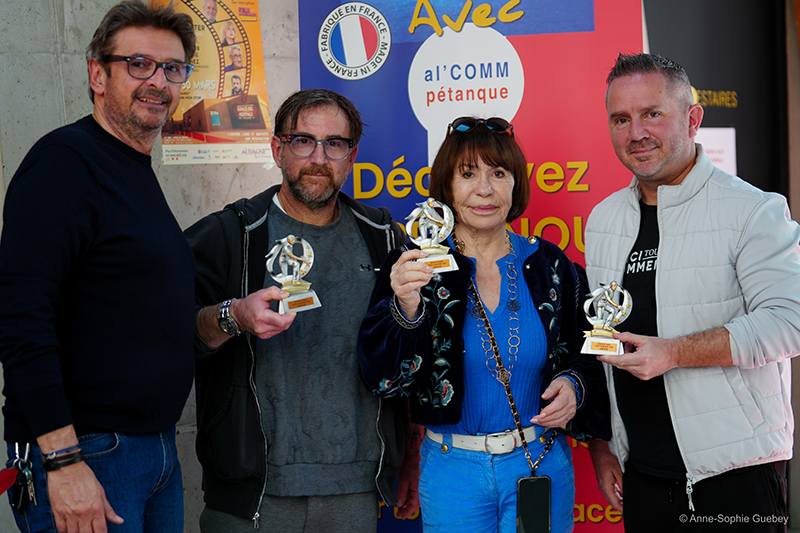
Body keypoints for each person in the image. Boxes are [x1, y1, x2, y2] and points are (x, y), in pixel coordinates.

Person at [358, 116, 610, 533]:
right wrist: (405, 307)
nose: (485, 189)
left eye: (499, 173)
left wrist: (573, 386)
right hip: (452, 472)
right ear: (447, 185)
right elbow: (381, 378)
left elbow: (589, 352)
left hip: (539, 462)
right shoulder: (414, 266)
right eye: (468, 174)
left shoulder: (550, 265)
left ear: (516, 183)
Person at [0, 1, 196, 532]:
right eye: (138, 64)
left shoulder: (131, 166)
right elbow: (19, 318)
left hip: (152, 453)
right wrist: (64, 462)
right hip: (89, 455)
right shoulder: (65, 163)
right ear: (97, 74)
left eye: (172, 68)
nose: (157, 81)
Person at [184, 88, 417, 532]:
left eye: (335, 144)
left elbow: (408, 356)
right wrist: (234, 316)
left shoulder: (384, 237)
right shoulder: (231, 235)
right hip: (252, 492)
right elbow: (171, 334)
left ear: (352, 156)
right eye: (303, 141)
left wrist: (411, 456)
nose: (319, 158)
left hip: (355, 488)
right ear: (278, 149)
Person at [585, 52, 800, 531]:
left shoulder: (753, 210)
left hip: (736, 474)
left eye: (652, 114)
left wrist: (675, 352)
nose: (636, 132)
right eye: (621, 119)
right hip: (642, 474)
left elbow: (790, 321)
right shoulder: (602, 220)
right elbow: (600, 339)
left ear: (693, 119)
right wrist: (605, 445)